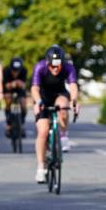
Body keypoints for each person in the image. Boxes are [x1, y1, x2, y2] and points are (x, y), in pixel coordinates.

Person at [30, 45, 80, 183]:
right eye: (52, 66)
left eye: (58, 65)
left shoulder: (68, 67)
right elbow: (34, 88)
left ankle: (63, 136)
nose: (56, 69)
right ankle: (41, 167)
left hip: (60, 94)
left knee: (63, 107)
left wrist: (74, 100)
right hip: (43, 97)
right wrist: (38, 101)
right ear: (47, 62)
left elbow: (73, 85)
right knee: (43, 131)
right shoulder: (40, 67)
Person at [3, 56, 29, 137]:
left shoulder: (24, 70)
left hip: (20, 90)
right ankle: (8, 124)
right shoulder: (6, 70)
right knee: (8, 100)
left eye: (17, 71)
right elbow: (6, 85)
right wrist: (12, 84)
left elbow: (24, 84)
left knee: (23, 103)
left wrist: (19, 83)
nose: (16, 73)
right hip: (9, 89)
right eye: (14, 71)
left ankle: (21, 123)